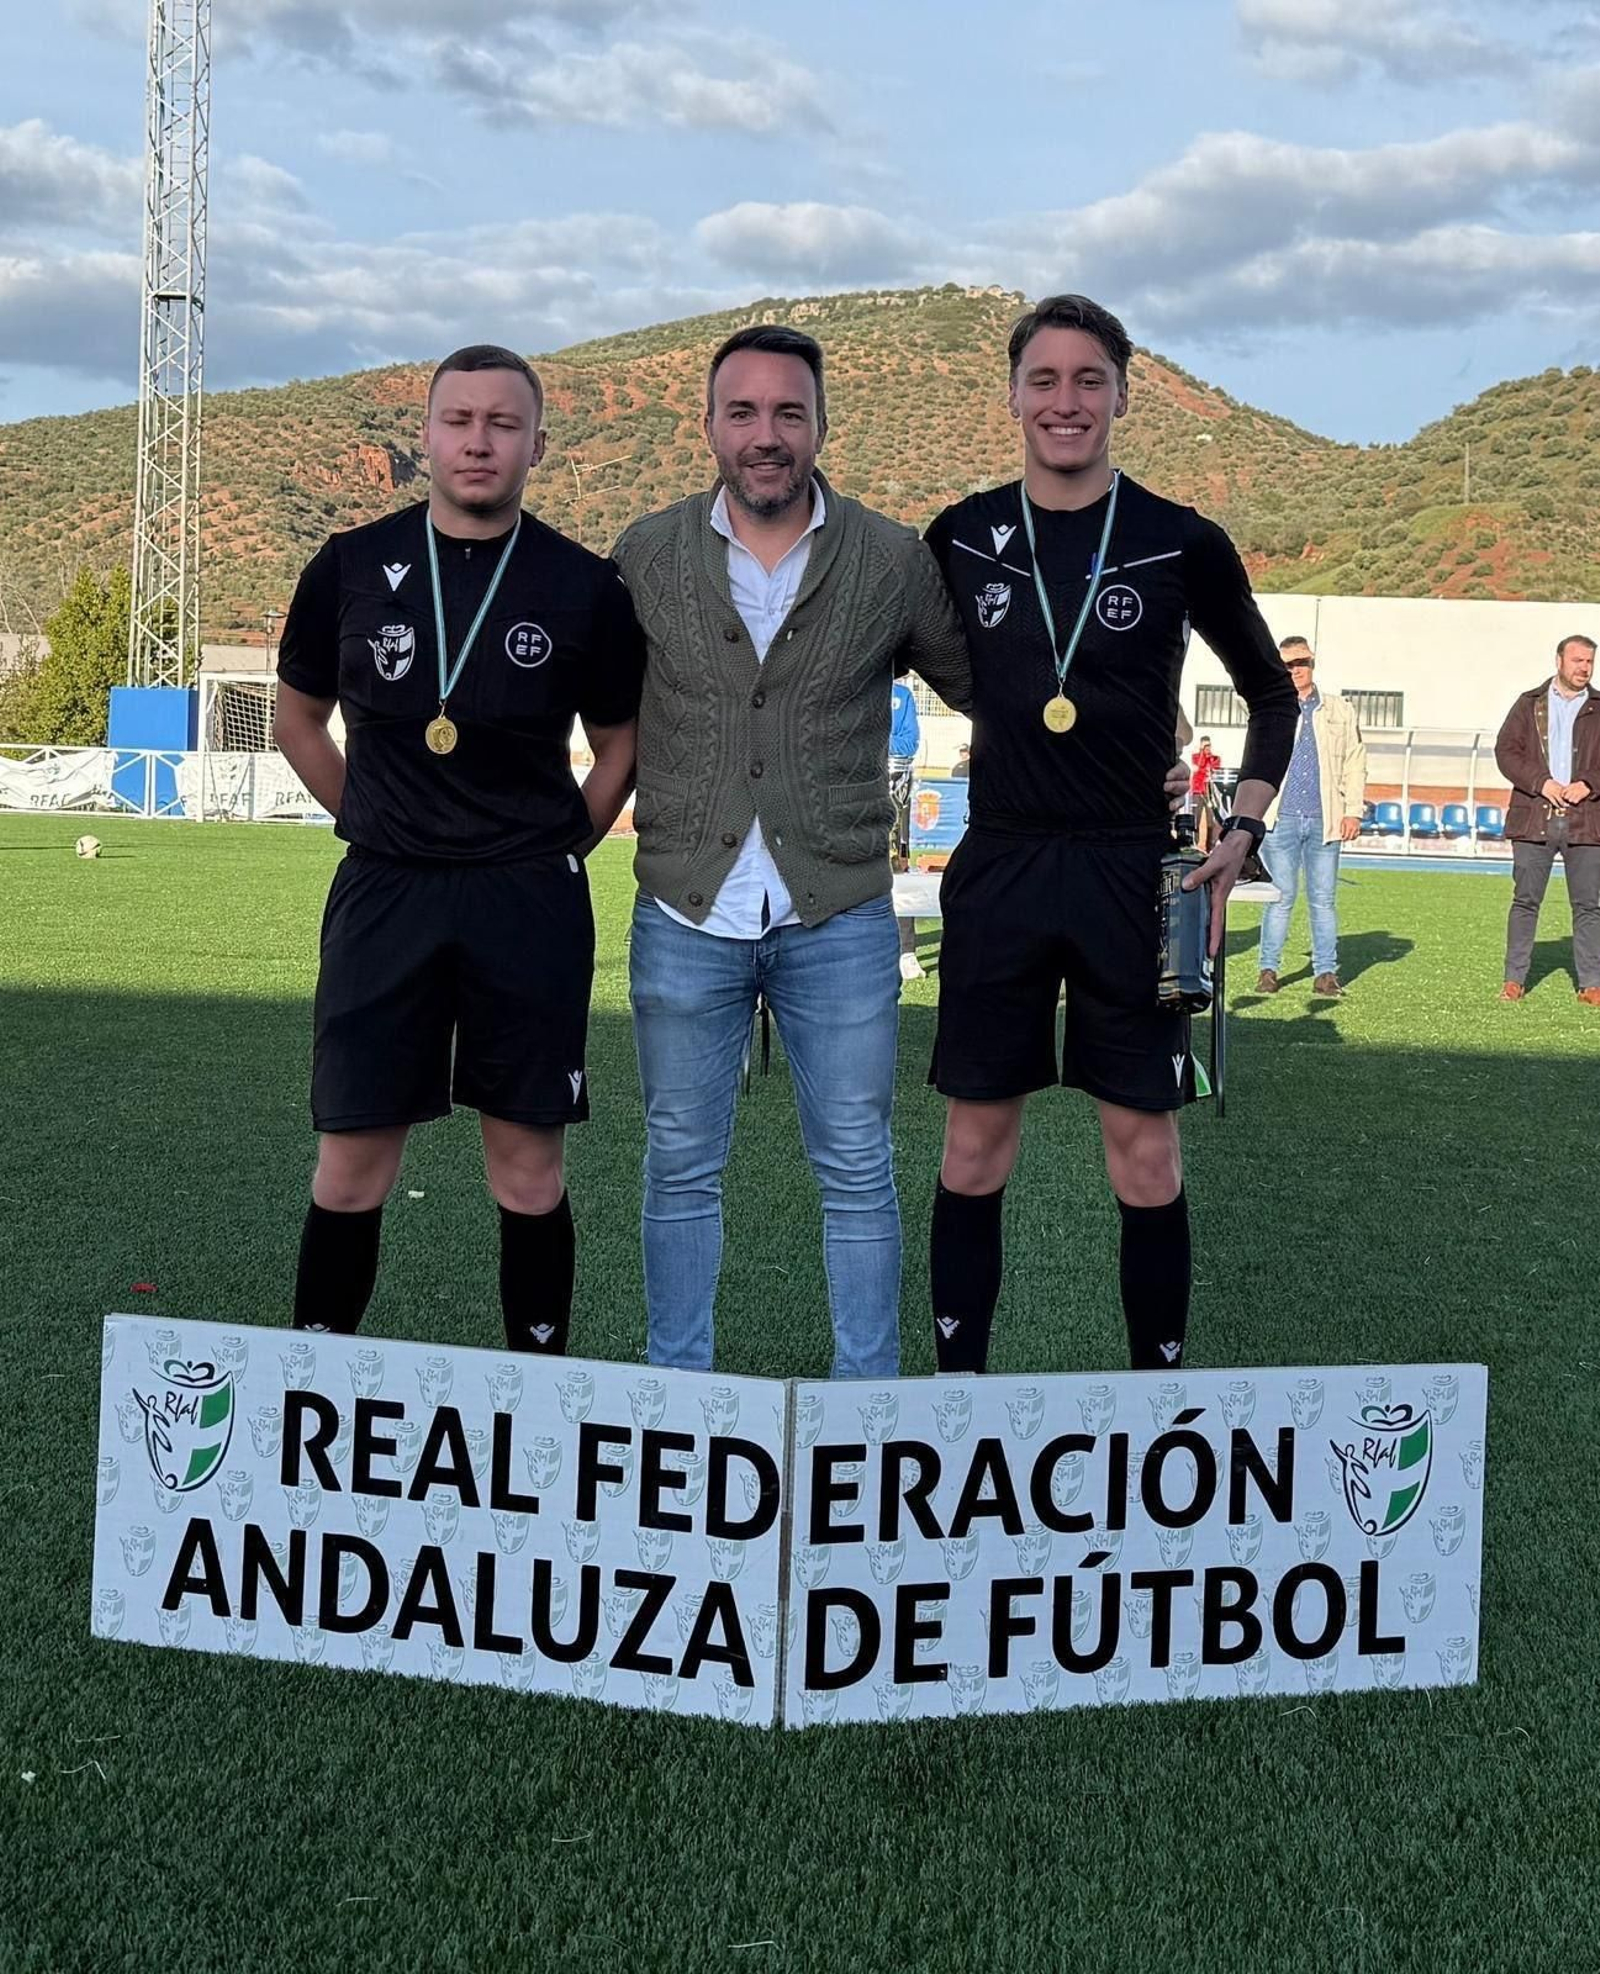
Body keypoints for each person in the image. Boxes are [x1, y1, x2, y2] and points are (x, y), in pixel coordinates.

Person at [922, 293, 1297, 1376]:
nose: (1065, 401)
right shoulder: (961, 534)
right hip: (999, 863)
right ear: (1010, 396)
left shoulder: (1179, 540)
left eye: (1088, 380)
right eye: (1043, 380)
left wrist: (1244, 825)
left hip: (1134, 872)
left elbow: (1272, 695)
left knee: (1143, 1150)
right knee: (974, 1145)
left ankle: (1155, 1405)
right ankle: (961, 1399)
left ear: (1123, 395)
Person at [612, 324, 973, 1379]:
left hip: (841, 916)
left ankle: (867, 1407)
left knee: (858, 1167)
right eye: (743, 412)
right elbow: (581, 697)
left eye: (788, 413)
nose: (765, 435)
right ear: (708, 426)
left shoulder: (892, 561)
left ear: (821, 425)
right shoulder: (644, 554)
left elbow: (982, 683)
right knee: (679, 1167)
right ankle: (676, 1395)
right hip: (686, 910)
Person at [273, 344, 644, 1352]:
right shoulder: (350, 565)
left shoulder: (583, 586)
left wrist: (565, 840)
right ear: (425, 436)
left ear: (535, 443)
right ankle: (314, 1386)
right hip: (385, 896)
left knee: (526, 1170)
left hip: (525, 904)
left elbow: (620, 744)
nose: (478, 442)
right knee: (351, 1164)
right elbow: (297, 717)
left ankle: (535, 1398)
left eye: (502, 424)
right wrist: (370, 818)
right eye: (459, 421)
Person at [1253, 637, 1367, 998]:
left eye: (1301, 662)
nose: (1296, 669)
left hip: (1325, 819)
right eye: (1287, 664)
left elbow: (1355, 761)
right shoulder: (1270, 709)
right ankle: (1268, 970)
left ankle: (1326, 973)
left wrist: (1353, 811)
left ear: (1312, 662)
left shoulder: (1339, 710)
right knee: (1280, 897)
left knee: (1323, 900)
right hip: (1280, 818)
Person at [1494, 633, 1600, 1005]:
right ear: (1559, 661)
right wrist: (1541, 782)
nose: (1584, 668)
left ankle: (1590, 984)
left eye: (1589, 661)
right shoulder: (1529, 704)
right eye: (1577, 661)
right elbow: (1505, 752)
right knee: (1525, 901)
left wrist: (1588, 783)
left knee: (1588, 905)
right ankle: (1513, 980)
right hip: (1533, 819)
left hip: (1587, 821)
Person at [889, 677, 926, 981]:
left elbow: (909, 741)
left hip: (893, 790)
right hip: (844, 790)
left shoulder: (901, 695)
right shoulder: (847, 683)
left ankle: (906, 951)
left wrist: (869, 738)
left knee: (899, 865)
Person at [1189, 733, 1222, 847]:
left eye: (1208, 745)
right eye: (1204, 746)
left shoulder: (1215, 758)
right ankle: (1194, 843)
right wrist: (1202, 754)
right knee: (1196, 820)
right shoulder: (1196, 757)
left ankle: (1210, 845)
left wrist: (1209, 757)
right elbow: (1198, 766)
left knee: (1211, 821)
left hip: (1209, 792)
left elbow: (1215, 769)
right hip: (1198, 791)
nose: (1207, 748)